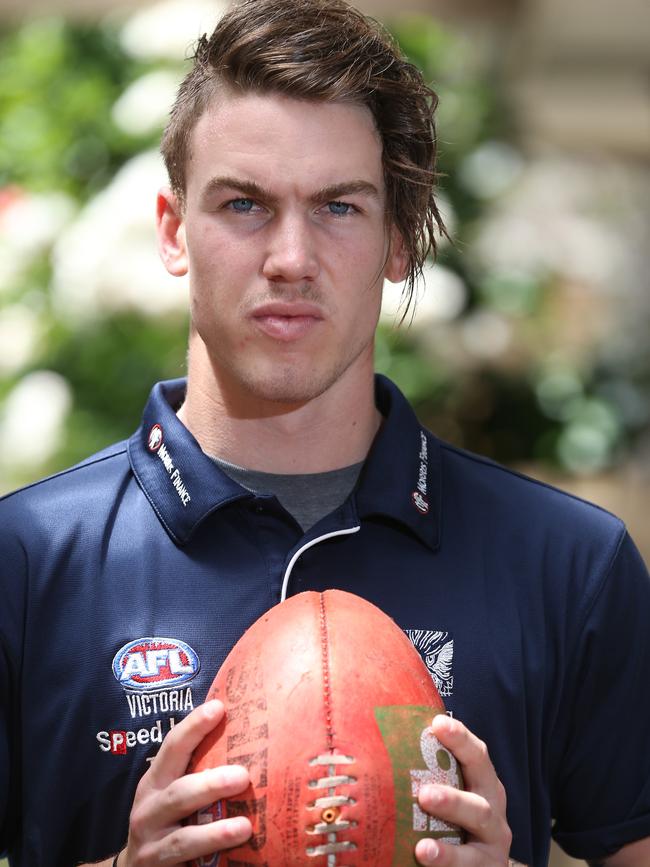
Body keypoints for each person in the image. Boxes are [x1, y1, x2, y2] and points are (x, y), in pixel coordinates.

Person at [1, 0, 649, 865]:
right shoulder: (26, 559)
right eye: (244, 204)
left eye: (339, 207)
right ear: (171, 229)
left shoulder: (570, 561)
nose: (291, 257)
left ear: (398, 240)